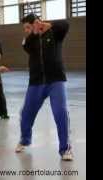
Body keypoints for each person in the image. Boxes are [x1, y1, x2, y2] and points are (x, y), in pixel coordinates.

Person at [15, 14, 73, 161]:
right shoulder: (28, 40)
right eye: (25, 28)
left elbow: (65, 25)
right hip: (36, 82)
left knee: (61, 112)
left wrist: (49, 25)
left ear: (36, 23)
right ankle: (25, 139)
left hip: (56, 81)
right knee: (26, 113)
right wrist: (34, 33)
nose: (26, 30)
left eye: (28, 27)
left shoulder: (55, 33)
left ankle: (65, 149)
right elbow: (25, 45)